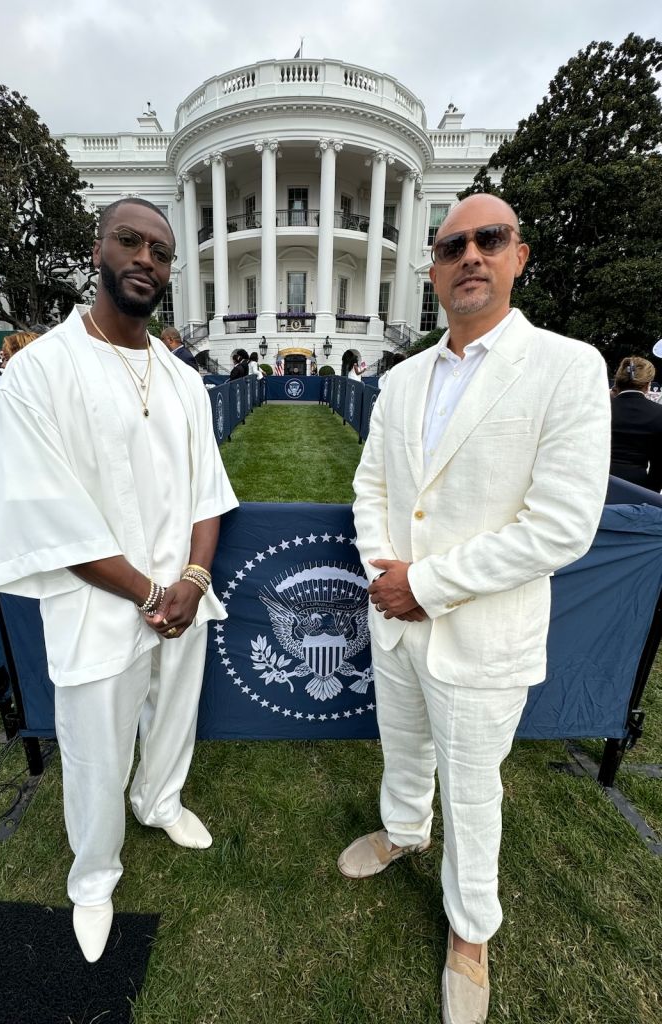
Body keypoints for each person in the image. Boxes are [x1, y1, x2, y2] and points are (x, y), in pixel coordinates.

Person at [339, 194, 610, 1024]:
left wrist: (424, 584)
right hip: (396, 619)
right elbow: (372, 486)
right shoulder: (402, 377)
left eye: (488, 240)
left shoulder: (568, 367)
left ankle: (470, 932)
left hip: (482, 634)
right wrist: (387, 573)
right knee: (404, 745)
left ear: (518, 257)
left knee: (473, 788)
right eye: (452, 244)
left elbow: (560, 526)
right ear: (432, 268)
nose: (470, 256)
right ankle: (401, 830)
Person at [0, 197, 238, 964]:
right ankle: (94, 875)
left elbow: (208, 491)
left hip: (182, 597)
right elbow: (47, 515)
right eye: (130, 241)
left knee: (172, 719)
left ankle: (160, 800)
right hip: (99, 603)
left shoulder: (183, 378)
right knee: (94, 746)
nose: (146, 260)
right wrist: (149, 593)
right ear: (96, 249)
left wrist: (190, 582)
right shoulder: (39, 371)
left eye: (160, 252)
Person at [609, 356, 662, 491]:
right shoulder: (658, 413)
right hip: (637, 488)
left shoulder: (601, 409)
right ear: (647, 384)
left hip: (599, 482)